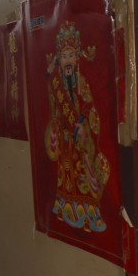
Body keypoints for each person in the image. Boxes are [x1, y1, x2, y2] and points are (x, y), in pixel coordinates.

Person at [44, 21, 110, 233]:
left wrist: (83, 125)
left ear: (77, 57)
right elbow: (54, 103)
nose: (68, 61)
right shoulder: (57, 83)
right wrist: (49, 73)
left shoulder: (82, 82)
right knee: (66, 177)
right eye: (63, 57)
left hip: (81, 139)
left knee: (85, 175)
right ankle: (65, 208)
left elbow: (90, 105)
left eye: (71, 55)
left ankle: (89, 215)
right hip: (65, 140)